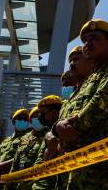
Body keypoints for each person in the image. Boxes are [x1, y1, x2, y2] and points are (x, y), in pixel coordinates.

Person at [52, 20, 108, 190]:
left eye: (94, 39)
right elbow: (68, 116)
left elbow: (98, 105)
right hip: (75, 165)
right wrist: (58, 128)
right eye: (85, 41)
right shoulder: (88, 81)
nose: (87, 44)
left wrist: (69, 128)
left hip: (102, 168)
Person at [41, 46, 93, 190]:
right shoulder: (69, 101)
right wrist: (52, 134)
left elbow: (78, 124)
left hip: (90, 171)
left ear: (89, 61)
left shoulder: (96, 85)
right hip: (65, 171)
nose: (71, 64)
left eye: (76, 59)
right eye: (70, 60)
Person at [22, 96, 60, 190]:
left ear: (55, 112)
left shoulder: (59, 133)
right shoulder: (49, 133)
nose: (41, 118)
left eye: (43, 113)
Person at [0, 108, 30, 189]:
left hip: (14, 181)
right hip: (0, 180)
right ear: (13, 121)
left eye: (25, 119)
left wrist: (0, 167)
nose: (23, 121)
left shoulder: (29, 137)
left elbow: (24, 157)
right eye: (20, 118)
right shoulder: (7, 140)